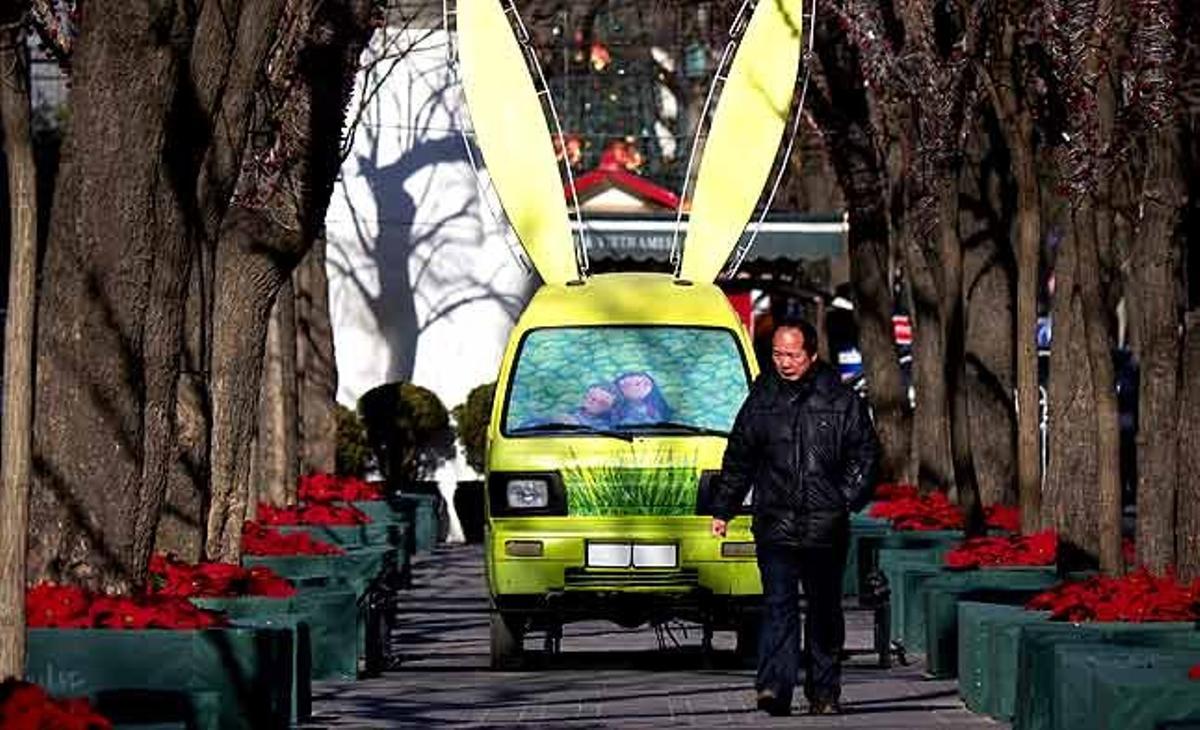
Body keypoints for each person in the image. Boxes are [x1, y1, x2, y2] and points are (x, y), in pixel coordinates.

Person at [710, 317, 880, 717]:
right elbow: (739, 458)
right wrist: (724, 508)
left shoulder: (841, 400)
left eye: (792, 355)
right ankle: (774, 687)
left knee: (824, 610)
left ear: (813, 355)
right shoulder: (761, 401)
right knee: (778, 607)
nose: (784, 362)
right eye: (777, 354)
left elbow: (867, 456)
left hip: (826, 526)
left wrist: (844, 499)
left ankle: (824, 691)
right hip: (775, 524)